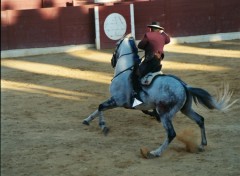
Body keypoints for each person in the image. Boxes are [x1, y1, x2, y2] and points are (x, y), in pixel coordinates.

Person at [132, 21, 170, 107]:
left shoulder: (148, 35)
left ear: (151, 28)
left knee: (136, 74)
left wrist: (147, 46)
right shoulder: (163, 36)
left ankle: (138, 98)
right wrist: (162, 32)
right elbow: (168, 40)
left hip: (150, 60)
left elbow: (140, 46)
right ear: (159, 29)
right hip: (158, 61)